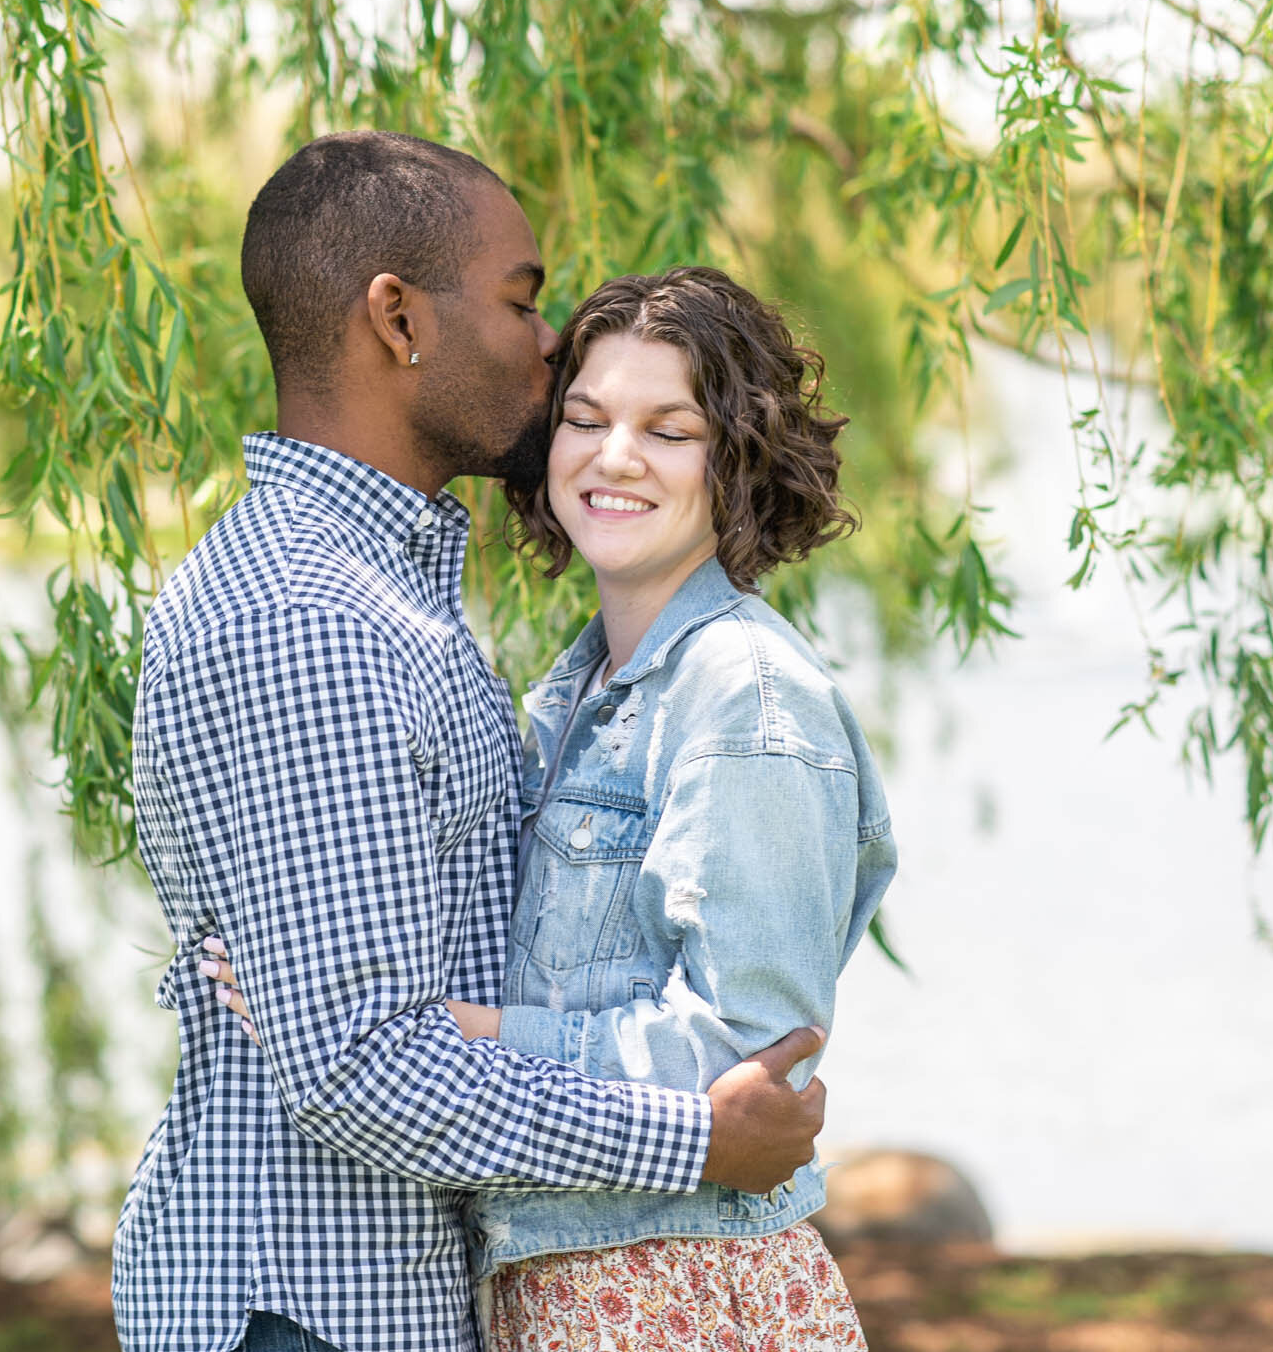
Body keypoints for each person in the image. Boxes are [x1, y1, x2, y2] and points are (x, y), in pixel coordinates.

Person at [113, 131, 828, 1352]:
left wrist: (382, 1008)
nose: (547, 341)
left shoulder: (387, 599)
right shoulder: (311, 620)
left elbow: (439, 975)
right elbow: (358, 1066)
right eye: (521, 298)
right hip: (315, 1305)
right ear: (397, 318)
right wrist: (698, 1134)